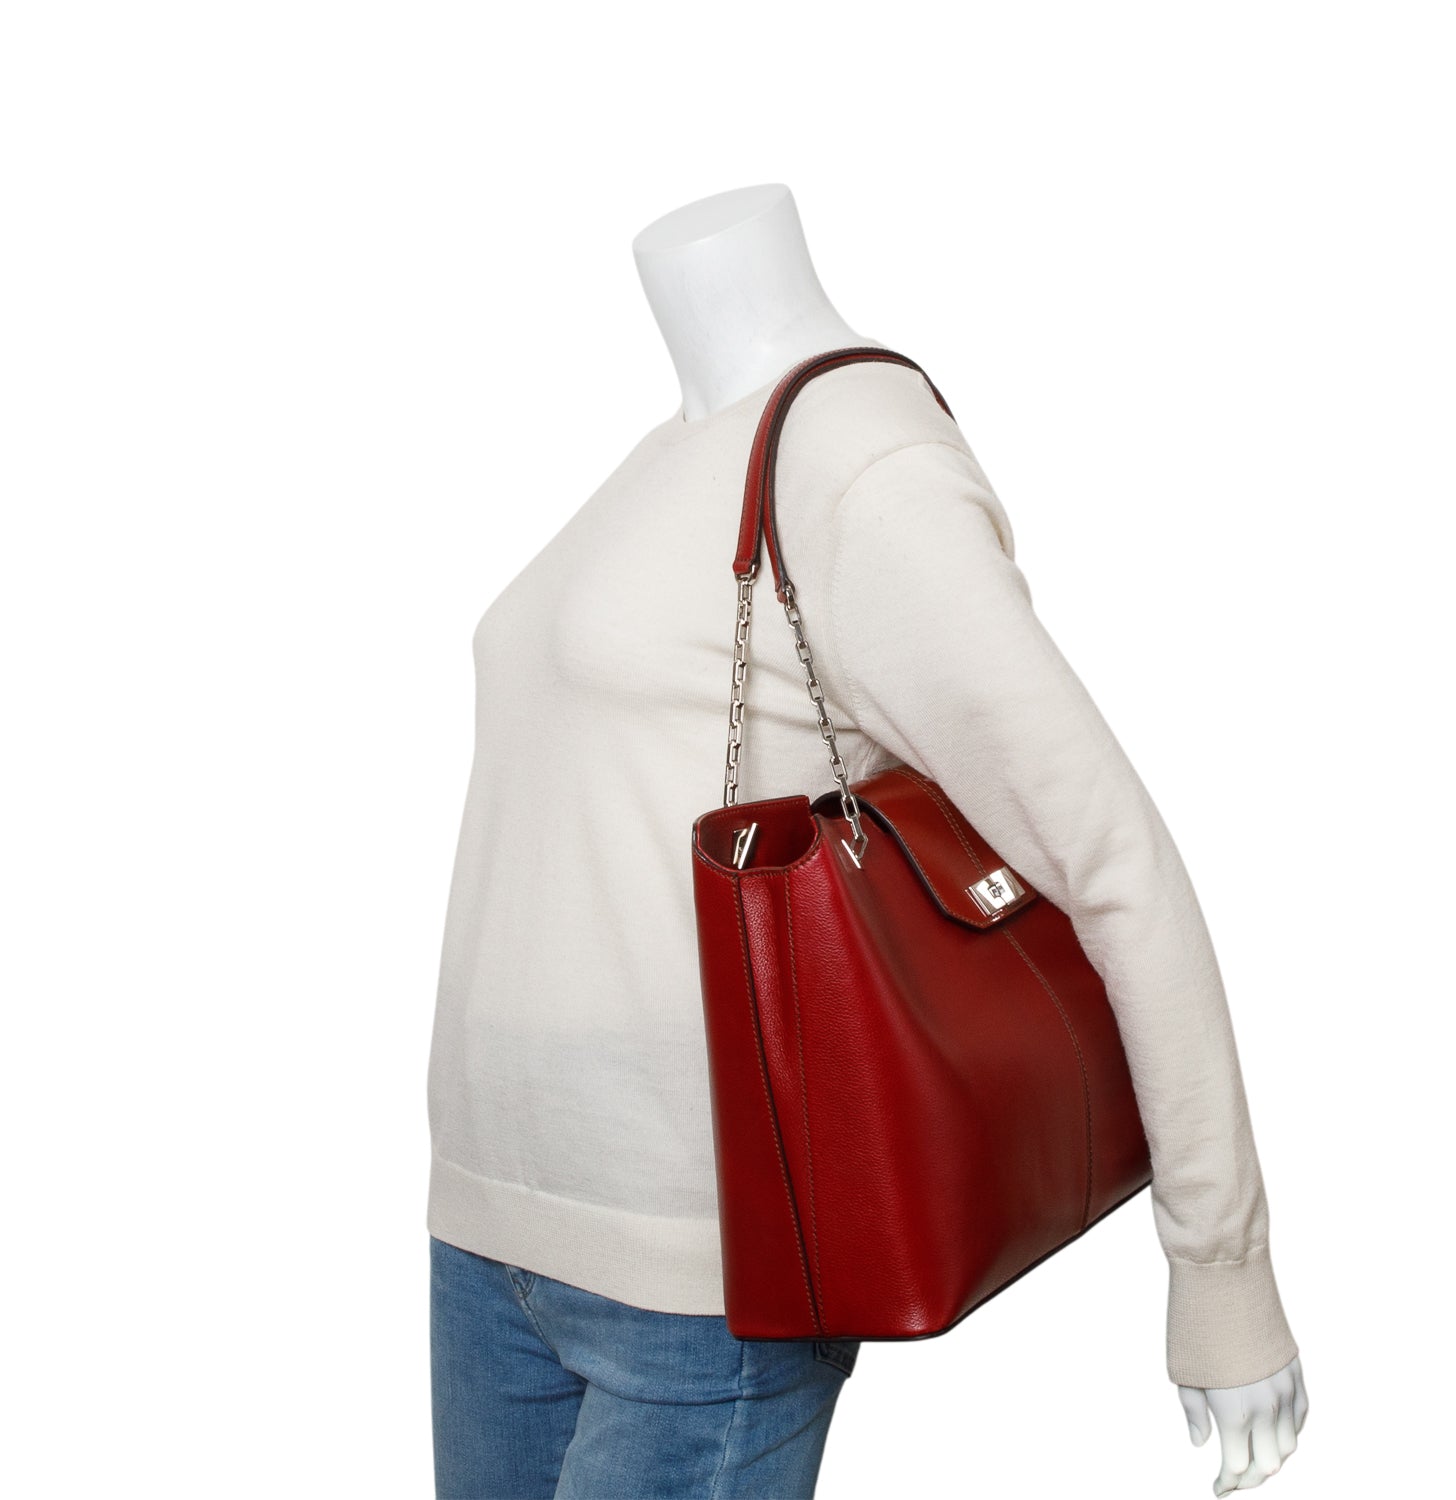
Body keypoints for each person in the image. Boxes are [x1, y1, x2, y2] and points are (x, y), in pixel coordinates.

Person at [426, 182, 1306, 1497]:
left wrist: (1222, 1275)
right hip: (487, 1235)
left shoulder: (859, 466)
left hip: (701, 1283)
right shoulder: (676, 453)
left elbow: (1112, 856)